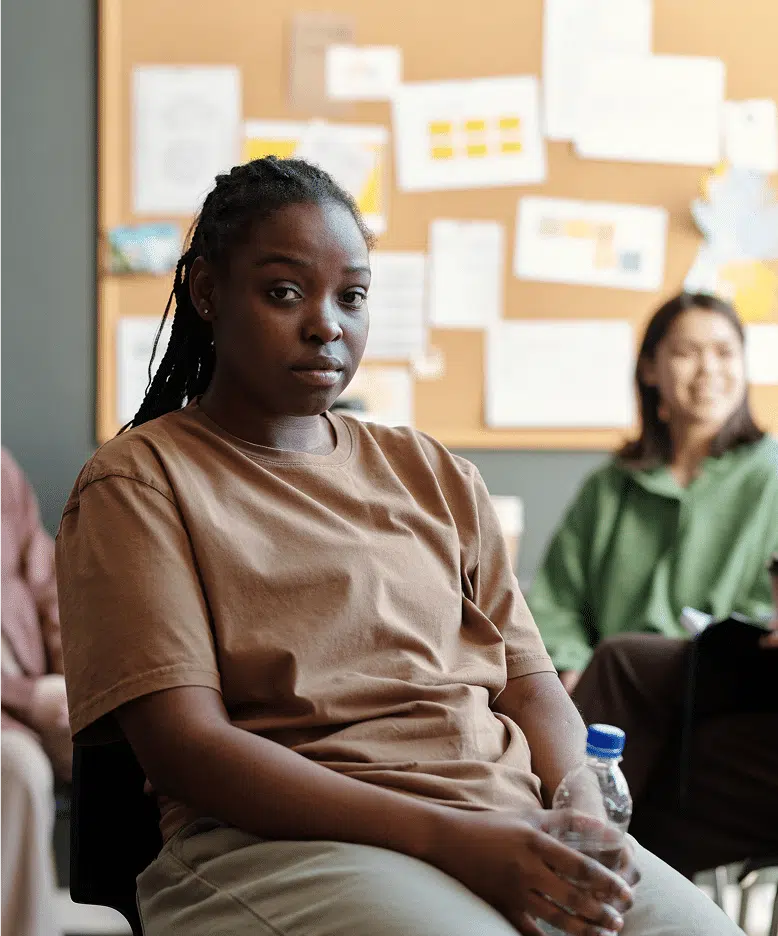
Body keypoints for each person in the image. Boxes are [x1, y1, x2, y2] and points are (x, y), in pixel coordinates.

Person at [55, 158, 740, 936]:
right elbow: (188, 749)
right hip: (283, 846)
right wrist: (460, 841)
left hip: (503, 818)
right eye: (284, 292)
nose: (327, 324)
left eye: (352, 297)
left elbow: (531, 683)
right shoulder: (139, 484)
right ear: (208, 292)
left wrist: (579, 801)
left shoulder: (434, 472)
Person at [529, 292, 778, 693]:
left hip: (728, 696)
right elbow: (554, 603)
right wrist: (573, 668)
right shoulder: (609, 487)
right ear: (649, 369)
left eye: (725, 352)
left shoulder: (771, 477)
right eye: (687, 353)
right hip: (612, 695)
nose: (708, 369)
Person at [0, 446, 70, 936]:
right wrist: (27, 699)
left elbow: (49, 586)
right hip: (14, 705)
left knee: (148, 733)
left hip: (38, 684)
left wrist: (76, 680)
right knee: (17, 769)